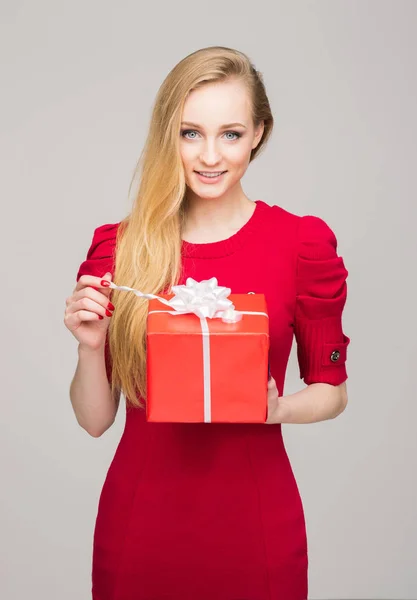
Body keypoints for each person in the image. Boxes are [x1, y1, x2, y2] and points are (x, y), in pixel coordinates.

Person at [65, 46, 350, 600]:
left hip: (256, 524)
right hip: (140, 523)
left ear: (259, 134)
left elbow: (332, 392)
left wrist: (280, 410)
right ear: (166, 134)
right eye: (191, 133)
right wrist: (88, 346)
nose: (210, 156)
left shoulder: (302, 246)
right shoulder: (120, 249)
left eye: (232, 134)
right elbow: (95, 420)